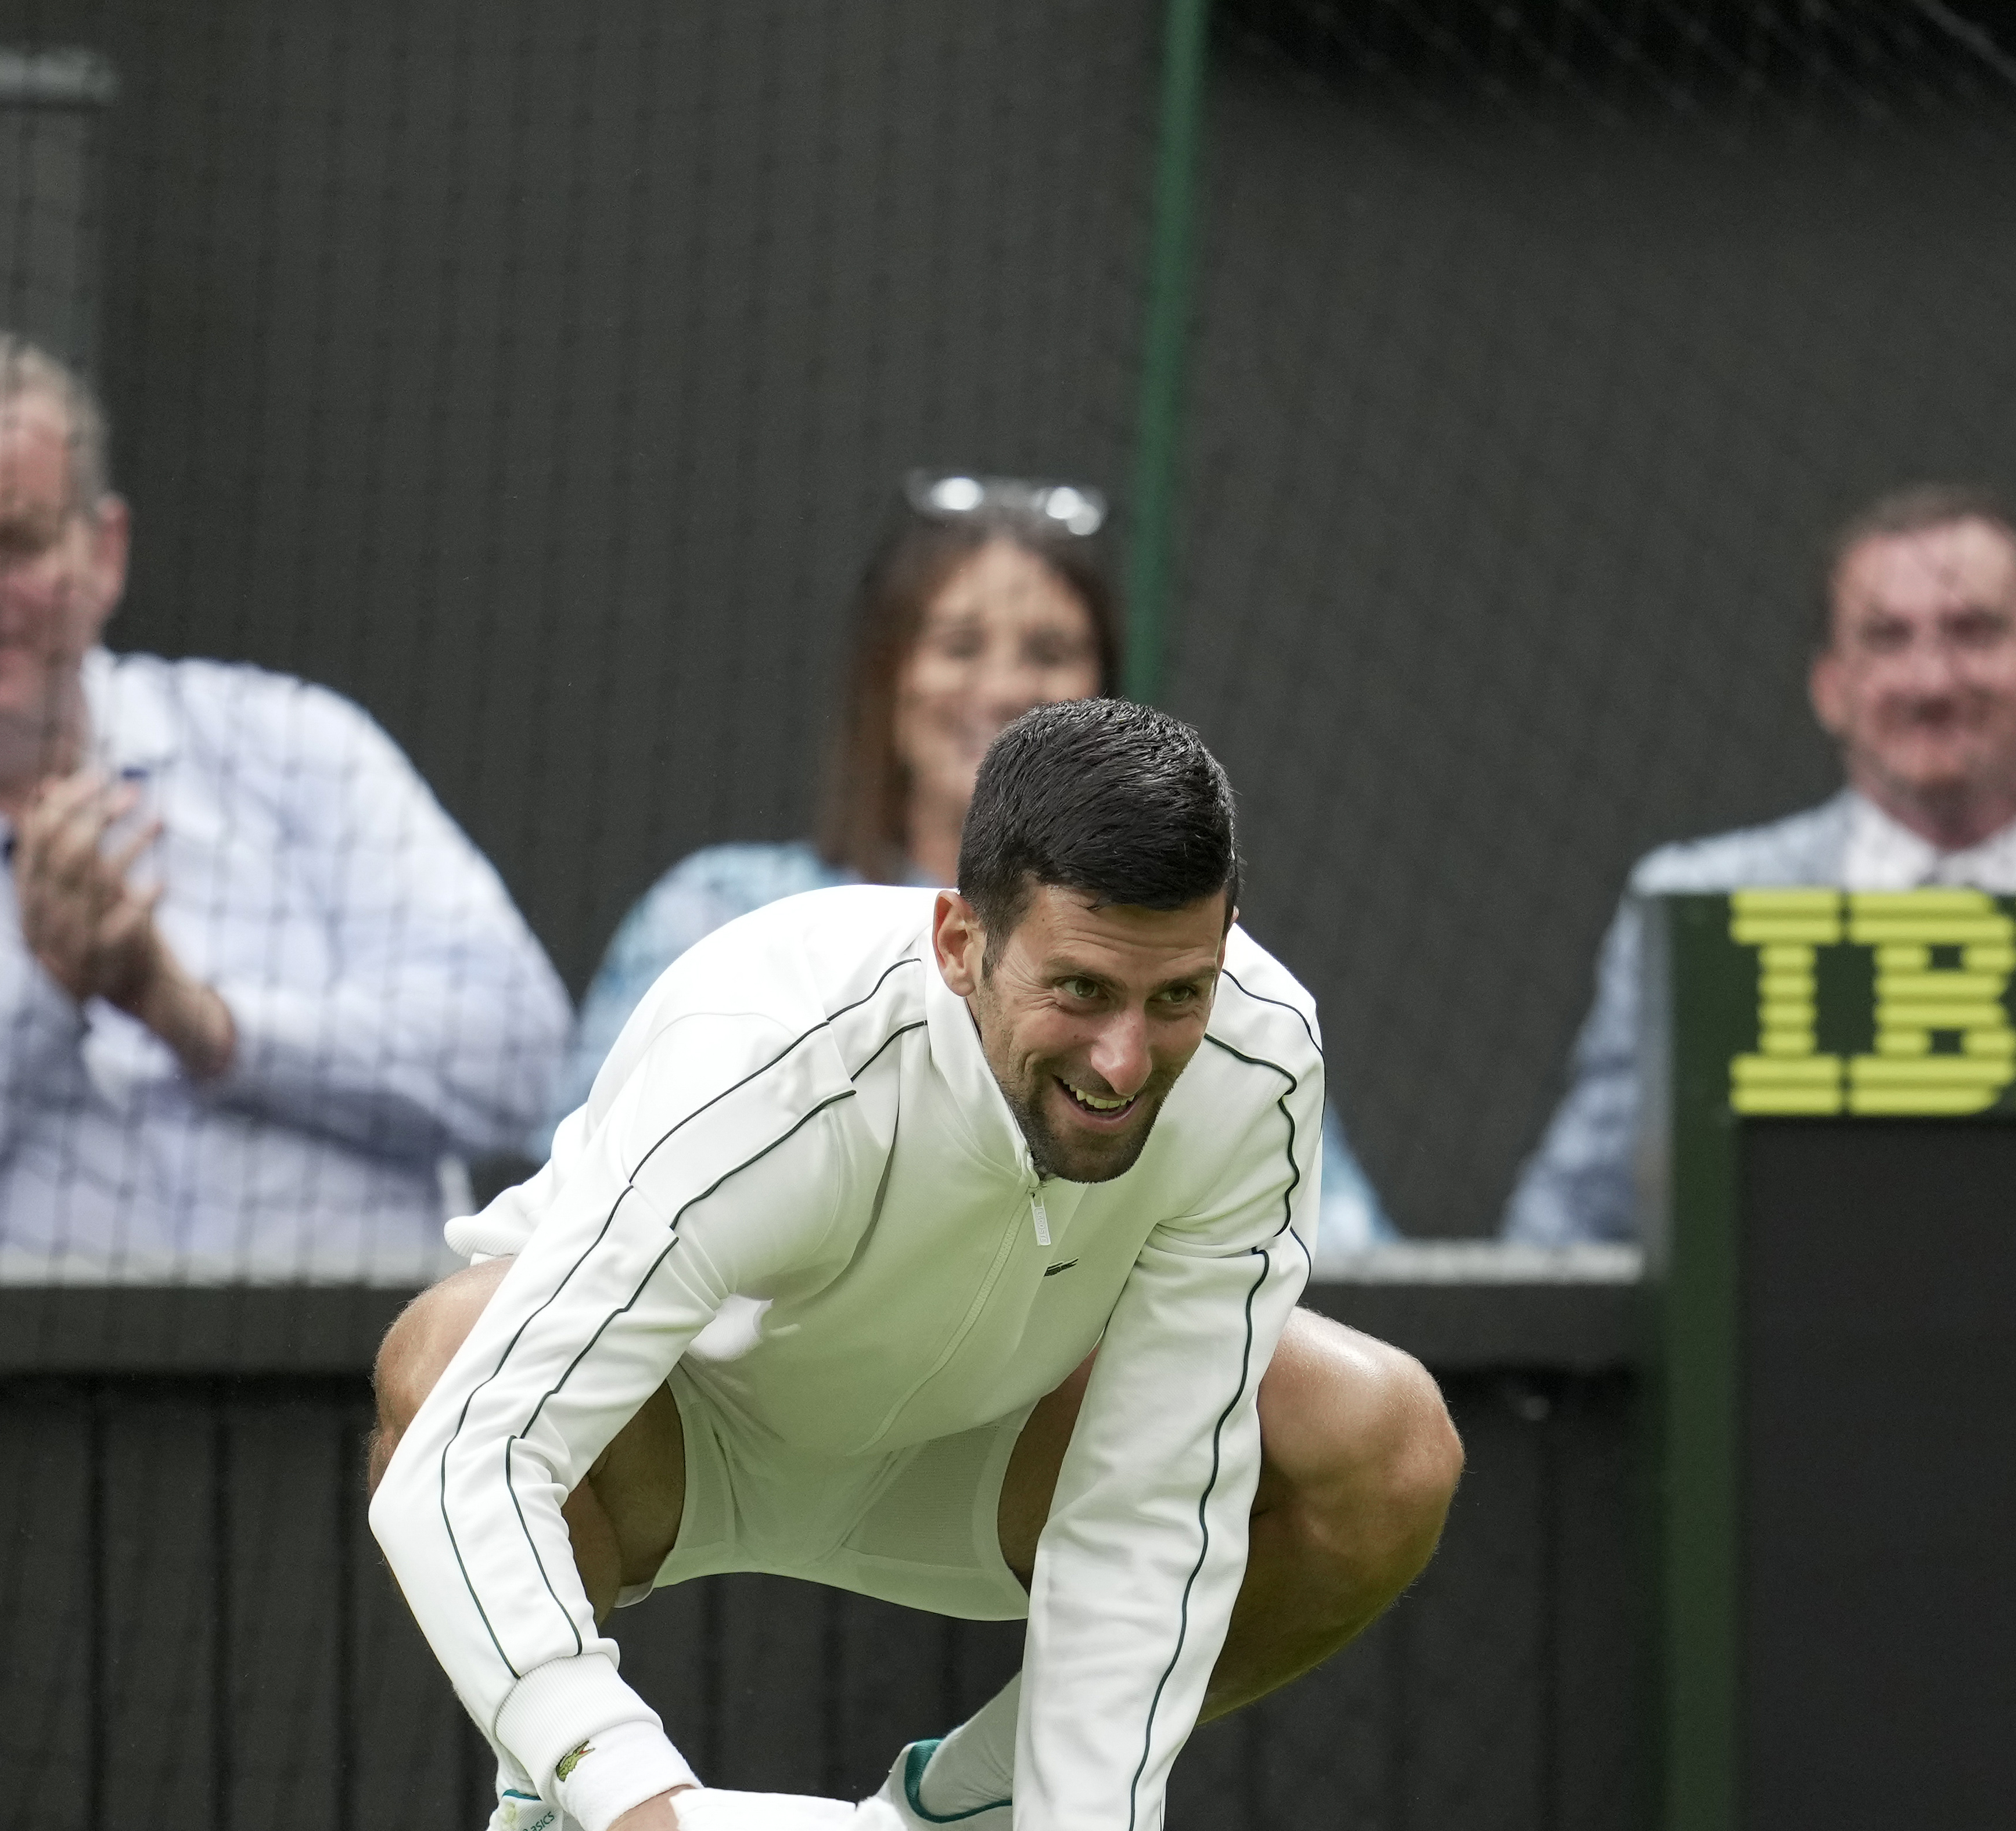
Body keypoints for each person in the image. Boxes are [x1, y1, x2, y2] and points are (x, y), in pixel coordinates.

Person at [369, 699, 1462, 1831]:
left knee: (1377, 1440)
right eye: (1079, 990)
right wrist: (613, 1776)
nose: (1125, 1062)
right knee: (449, 1351)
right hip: (676, 1445)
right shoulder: (761, 1051)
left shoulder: (1256, 1062)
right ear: (961, 943)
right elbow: (472, 1456)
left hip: (984, 1461)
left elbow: (1151, 1507)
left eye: (1174, 996)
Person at [0, 325, 568, 1267]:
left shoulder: (296, 745)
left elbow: (520, 1052)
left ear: (106, 552)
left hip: (374, 1393)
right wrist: (38, 991)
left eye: (18, 542)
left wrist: (203, 1023)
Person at [559, 473, 1402, 1257]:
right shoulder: (718, 909)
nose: (1002, 688)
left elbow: (1334, 1238)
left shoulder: (1173, 961)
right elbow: (594, 1186)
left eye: (1046, 651)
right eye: (960, 644)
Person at [1501, 484, 2016, 1248]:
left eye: (1974, 632)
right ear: (1830, 687)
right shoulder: (1698, 911)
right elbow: (1569, 1224)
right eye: (1886, 639)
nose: (1931, 681)